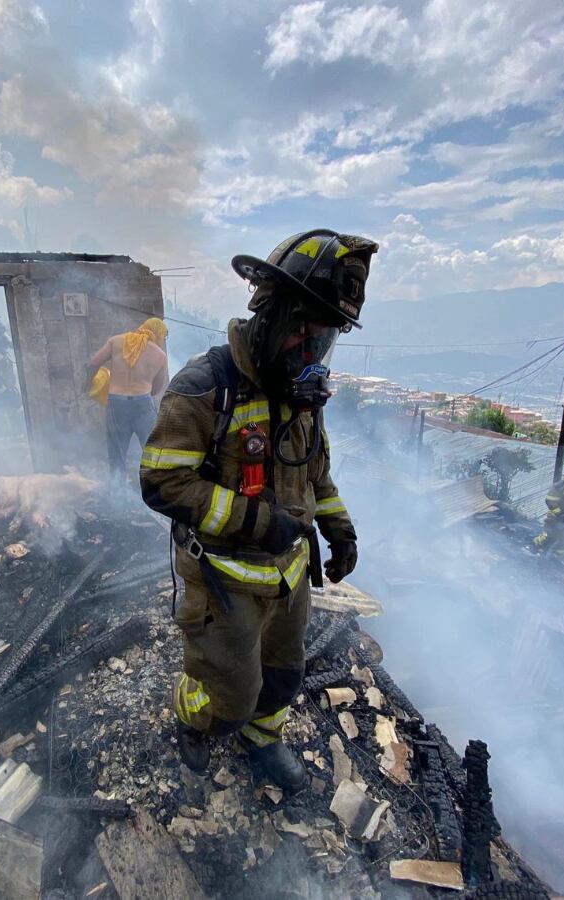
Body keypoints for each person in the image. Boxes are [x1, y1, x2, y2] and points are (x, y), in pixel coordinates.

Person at [139, 229, 374, 791]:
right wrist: (259, 522)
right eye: (305, 333)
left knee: (283, 678)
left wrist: (339, 529)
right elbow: (163, 482)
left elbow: (315, 470)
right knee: (227, 696)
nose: (312, 352)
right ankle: (193, 719)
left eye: (325, 339)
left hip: (289, 576)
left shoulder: (302, 396)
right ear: (271, 314)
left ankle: (262, 741)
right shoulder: (205, 386)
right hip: (223, 578)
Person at [89, 317, 169, 484]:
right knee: (151, 450)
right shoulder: (160, 356)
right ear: (159, 333)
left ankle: (118, 494)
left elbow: (94, 363)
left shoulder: (116, 341)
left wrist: (90, 384)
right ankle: (154, 488)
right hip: (143, 404)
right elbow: (156, 389)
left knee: (117, 452)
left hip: (116, 403)